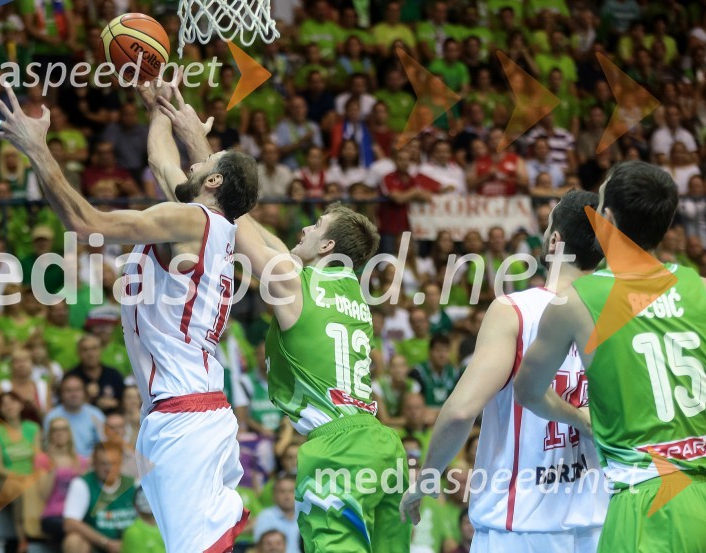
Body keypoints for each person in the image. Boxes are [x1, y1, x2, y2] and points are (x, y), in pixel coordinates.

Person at [0, 80, 259, 552]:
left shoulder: (190, 221)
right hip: (189, 408)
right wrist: (157, 110)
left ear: (212, 183)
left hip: (184, 416)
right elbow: (160, 161)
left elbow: (87, 224)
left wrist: (37, 149)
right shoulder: (205, 222)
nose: (194, 163)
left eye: (204, 163)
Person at [159, 75, 411, 552]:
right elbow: (264, 239)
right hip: (384, 446)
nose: (304, 226)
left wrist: (198, 142)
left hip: (338, 449)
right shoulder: (352, 297)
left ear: (329, 245)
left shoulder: (296, 285)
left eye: (315, 226)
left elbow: (234, 218)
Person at [401, 190, 610, 552]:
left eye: (547, 227)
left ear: (556, 241)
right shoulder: (622, 316)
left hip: (520, 526)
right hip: (601, 523)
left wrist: (426, 478)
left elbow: (462, 411)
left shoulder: (514, 310)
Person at [514, 162, 706, 552]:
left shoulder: (576, 302)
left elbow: (527, 391)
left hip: (648, 501)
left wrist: (579, 418)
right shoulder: (699, 287)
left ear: (608, 218)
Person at [0, 391, 42, 553]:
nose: (9, 406)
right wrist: (21, 477)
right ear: (0, 409)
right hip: (8, 479)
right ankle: (23, 539)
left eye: (12, 401)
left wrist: (33, 476)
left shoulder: (33, 428)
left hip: (32, 476)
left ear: (20, 405)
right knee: (19, 489)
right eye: (3, 404)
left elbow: (38, 459)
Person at [62, 444, 137, 553]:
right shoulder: (82, 484)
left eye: (113, 463)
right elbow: (69, 523)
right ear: (94, 464)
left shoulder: (134, 484)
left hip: (130, 545)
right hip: (97, 545)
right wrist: (106, 543)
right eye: (103, 463)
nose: (108, 468)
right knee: (73, 541)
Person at [35, 417, 89, 542]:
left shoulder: (81, 461)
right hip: (53, 515)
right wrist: (53, 465)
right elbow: (44, 494)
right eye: (55, 430)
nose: (59, 433)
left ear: (69, 433)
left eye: (63, 429)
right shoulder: (43, 460)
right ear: (50, 435)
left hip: (77, 515)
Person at [43, 373, 104, 458]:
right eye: (68, 390)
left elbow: (104, 445)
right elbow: (47, 447)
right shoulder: (51, 417)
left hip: (92, 465)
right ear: (61, 394)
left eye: (78, 390)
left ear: (84, 392)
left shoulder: (96, 415)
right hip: (61, 465)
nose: (74, 394)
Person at [253, 474, 301, 553]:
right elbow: (260, 549)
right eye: (282, 491)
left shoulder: (305, 516)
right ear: (274, 495)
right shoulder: (265, 517)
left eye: (291, 491)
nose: (287, 496)